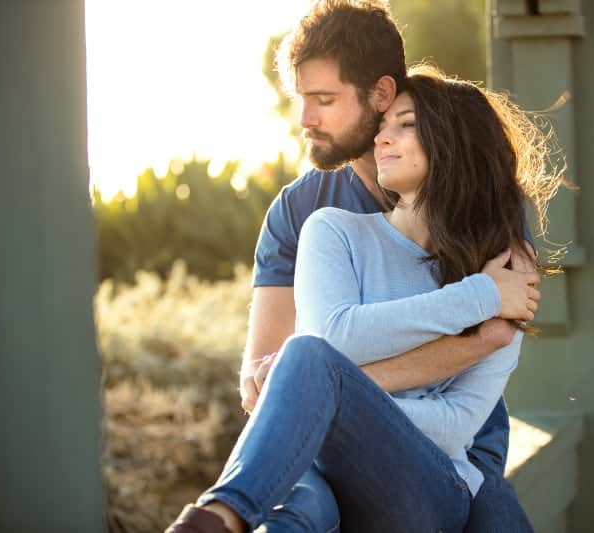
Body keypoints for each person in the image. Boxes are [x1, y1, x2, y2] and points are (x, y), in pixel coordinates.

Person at [167, 1, 548, 531]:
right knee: (297, 507)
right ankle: (214, 519)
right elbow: (269, 388)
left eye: (324, 100)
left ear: (381, 94)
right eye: (301, 100)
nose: (305, 120)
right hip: (319, 451)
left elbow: (492, 347)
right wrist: (325, 396)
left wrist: (325, 392)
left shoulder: (487, 219)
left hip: (449, 460)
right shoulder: (307, 215)